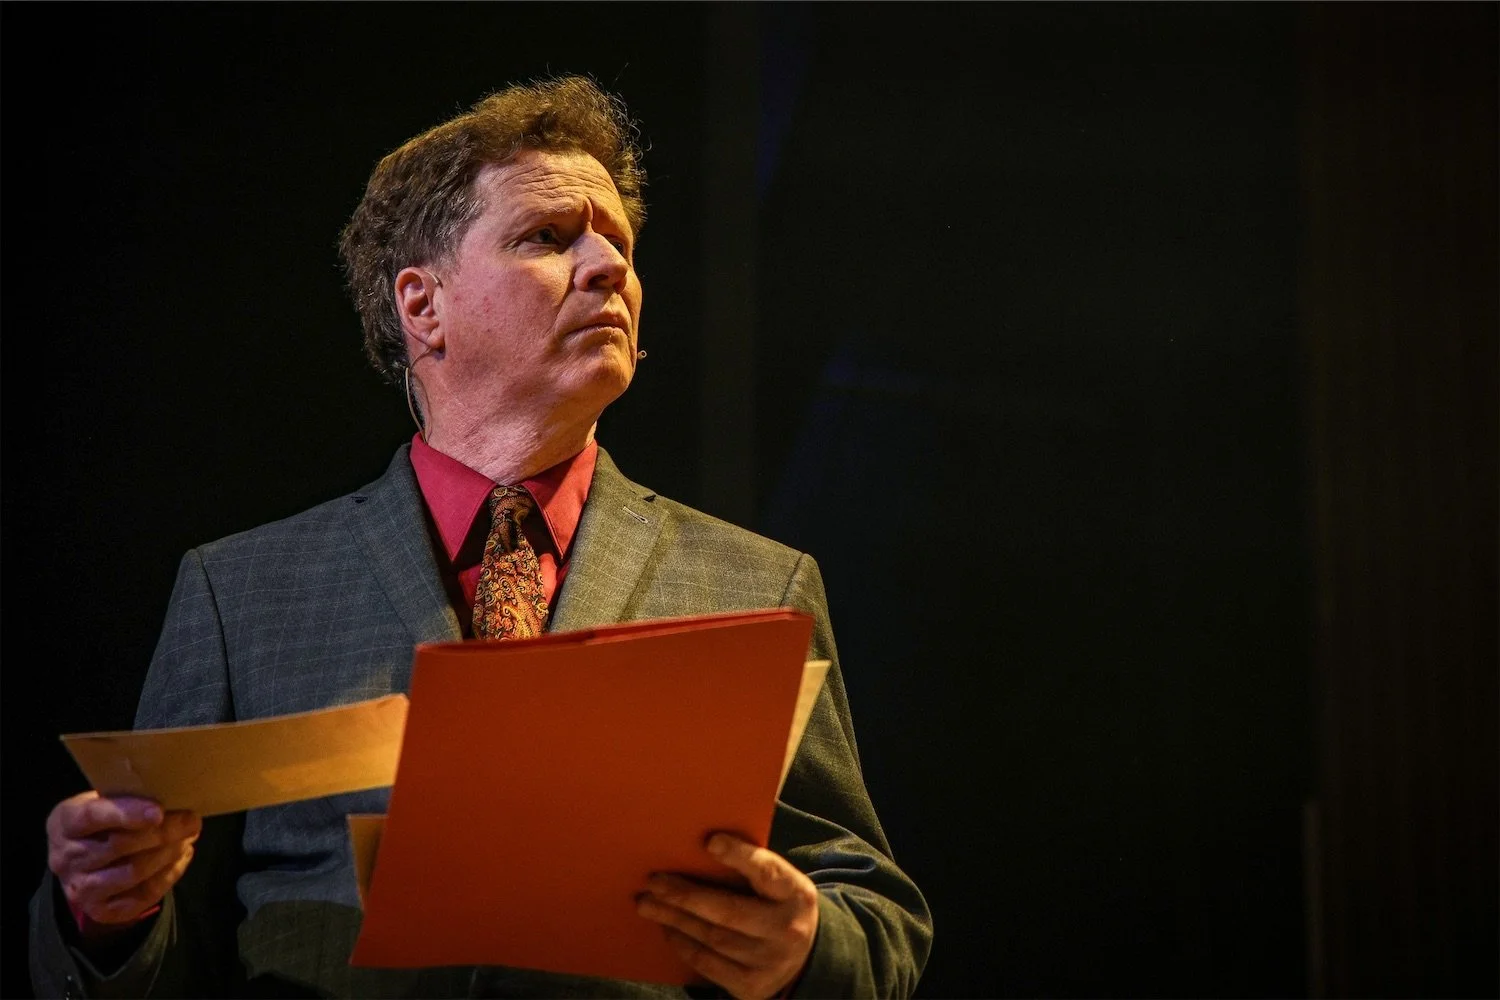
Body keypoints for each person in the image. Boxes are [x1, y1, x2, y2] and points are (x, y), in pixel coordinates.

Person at [29, 75, 932, 1000]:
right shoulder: (244, 590)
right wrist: (108, 911)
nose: (609, 266)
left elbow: (875, 917)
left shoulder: (756, 582)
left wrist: (805, 946)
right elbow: (157, 949)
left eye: (618, 240)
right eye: (548, 237)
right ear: (423, 306)